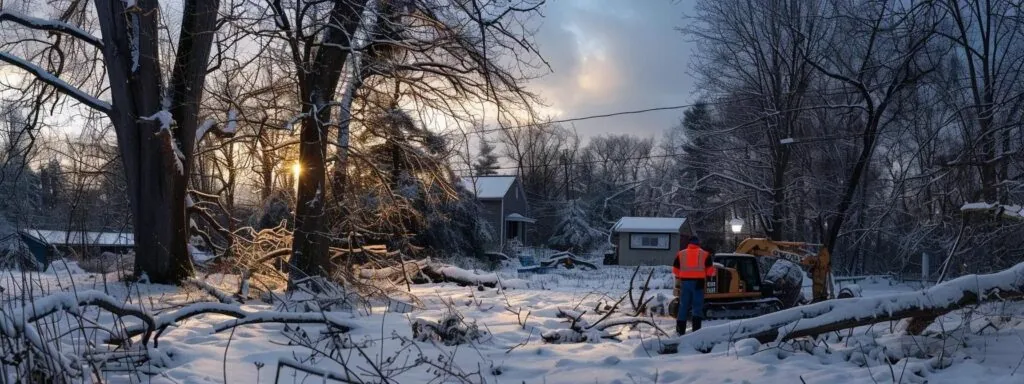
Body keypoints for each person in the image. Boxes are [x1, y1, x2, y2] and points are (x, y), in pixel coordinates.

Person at [672, 236, 716, 335]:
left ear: (689, 243)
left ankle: (680, 331)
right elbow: (710, 272)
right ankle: (696, 332)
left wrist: (682, 275)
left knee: (683, 306)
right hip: (698, 283)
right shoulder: (705, 254)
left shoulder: (681, 254)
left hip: (685, 283)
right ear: (698, 243)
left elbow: (675, 270)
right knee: (697, 307)